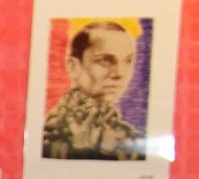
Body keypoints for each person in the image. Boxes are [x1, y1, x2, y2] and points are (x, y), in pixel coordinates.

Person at [40, 20, 143, 160]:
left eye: (127, 61)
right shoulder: (48, 133)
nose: (119, 73)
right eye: (105, 60)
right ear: (73, 66)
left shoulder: (131, 138)